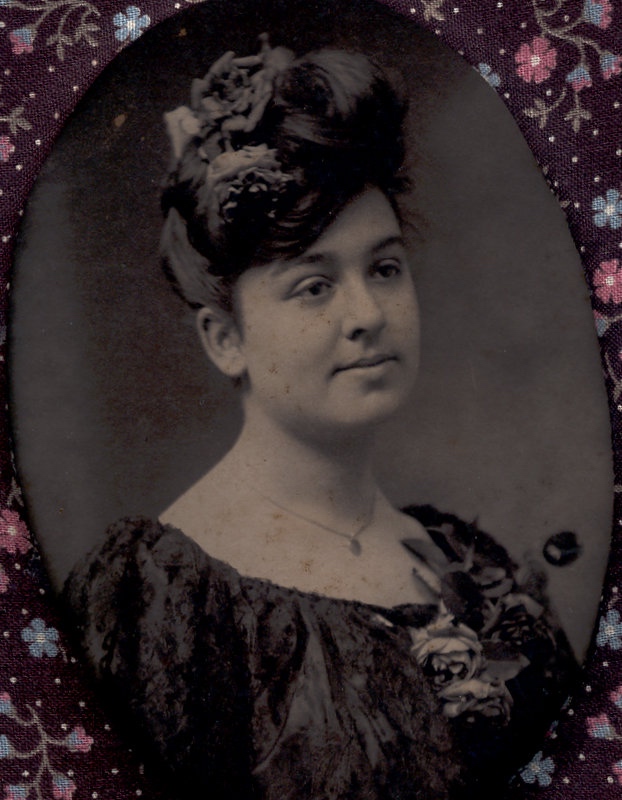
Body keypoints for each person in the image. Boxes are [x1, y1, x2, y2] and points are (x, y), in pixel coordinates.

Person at [64, 35, 578, 800]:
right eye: (313, 286)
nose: (367, 314)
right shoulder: (166, 604)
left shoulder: (468, 557)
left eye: (384, 267)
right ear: (225, 338)